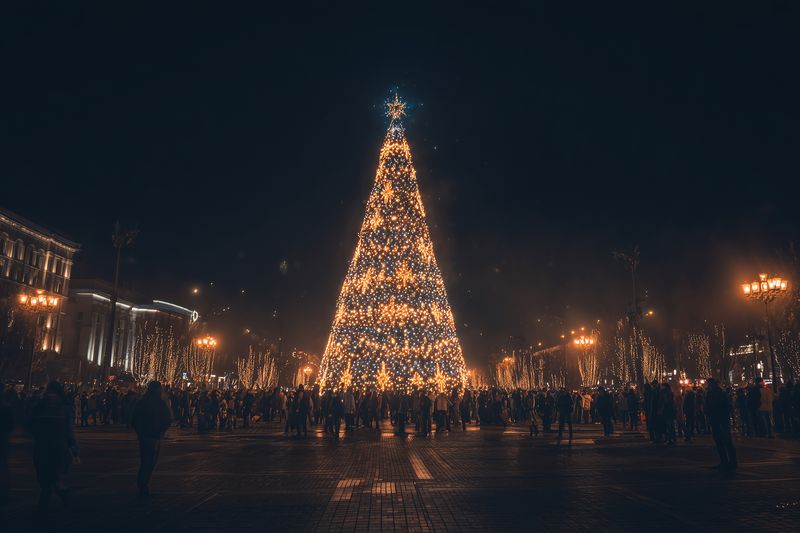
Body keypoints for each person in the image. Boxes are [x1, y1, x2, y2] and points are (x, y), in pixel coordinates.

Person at [31, 381, 78, 510]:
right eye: (49, 393)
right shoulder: (39, 408)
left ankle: (46, 503)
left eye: (54, 393)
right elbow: (30, 425)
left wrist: (73, 445)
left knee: (51, 477)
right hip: (42, 447)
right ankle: (63, 496)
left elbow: (69, 430)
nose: (51, 396)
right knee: (44, 477)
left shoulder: (63, 409)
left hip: (57, 448)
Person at [131, 381, 172, 499]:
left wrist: (140, 431)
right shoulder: (160, 403)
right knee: (150, 462)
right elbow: (167, 419)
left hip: (144, 436)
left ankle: (142, 484)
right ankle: (144, 484)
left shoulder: (142, 401)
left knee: (145, 461)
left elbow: (134, 419)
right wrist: (160, 430)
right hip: (154, 435)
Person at [705, 378, 737, 470]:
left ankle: (726, 461)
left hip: (718, 419)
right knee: (725, 441)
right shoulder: (721, 393)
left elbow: (713, 406)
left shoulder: (713, 394)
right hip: (721, 419)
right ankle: (730, 461)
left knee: (721, 441)